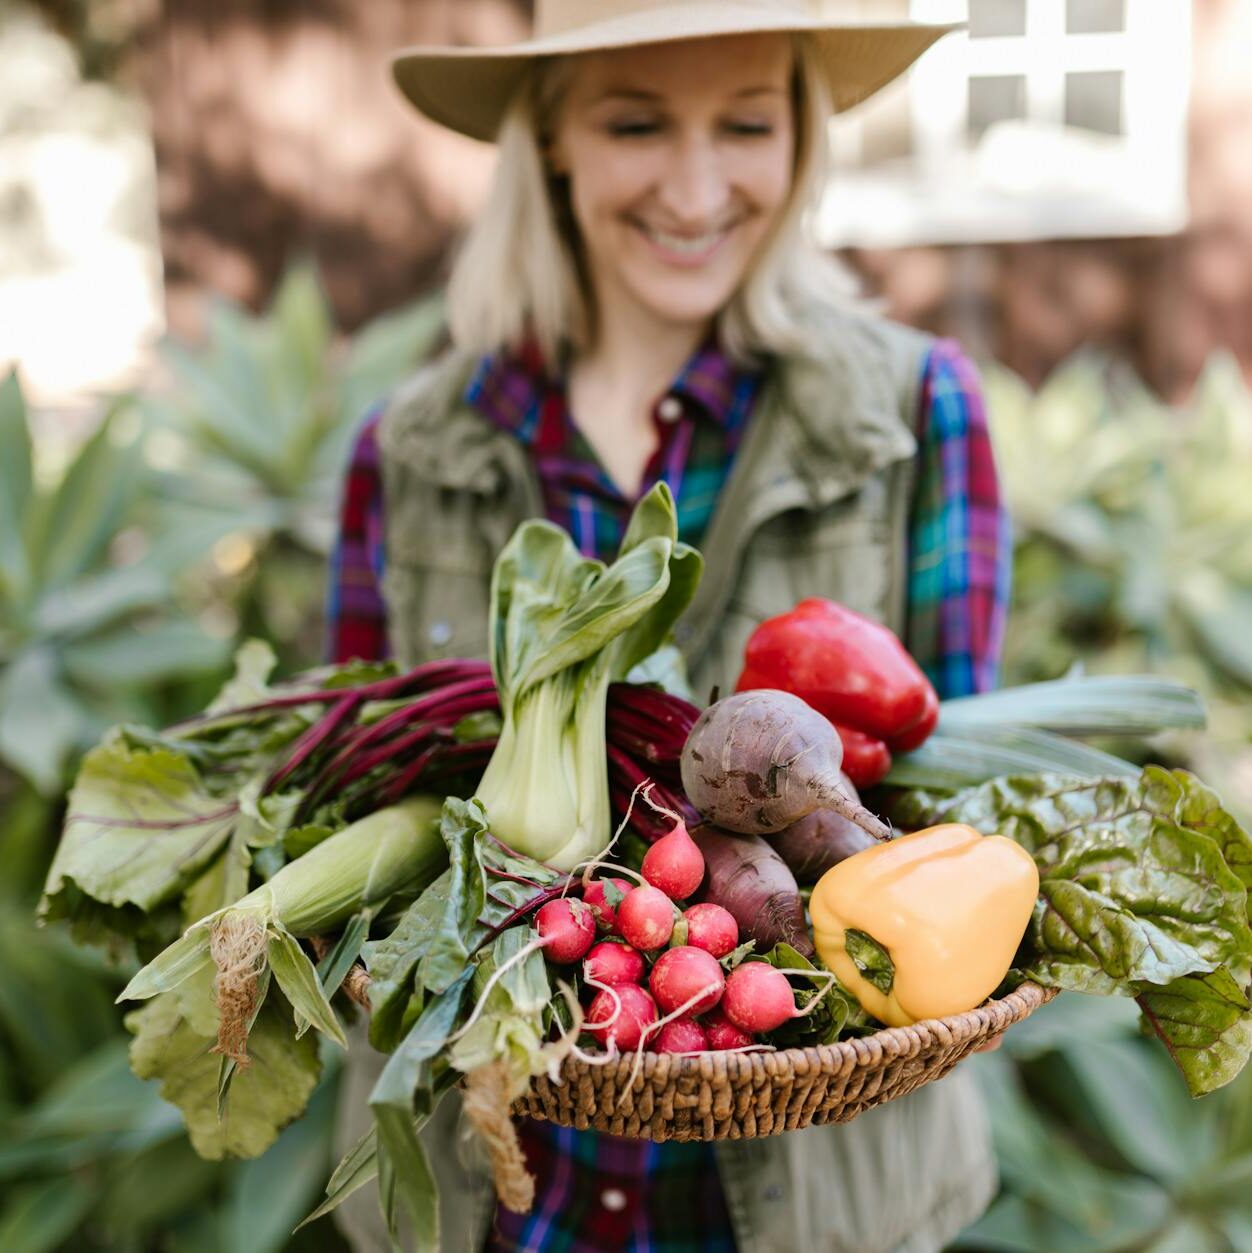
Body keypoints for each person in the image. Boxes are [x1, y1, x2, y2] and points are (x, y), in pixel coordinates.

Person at [326, 2, 1011, 1250]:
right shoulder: (409, 448)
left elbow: (951, 814)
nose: (696, 189)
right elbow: (352, 786)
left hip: (819, 1193)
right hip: (497, 1188)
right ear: (551, 144)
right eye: (636, 121)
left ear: (799, 140)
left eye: (745, 122)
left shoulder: (917, 411)